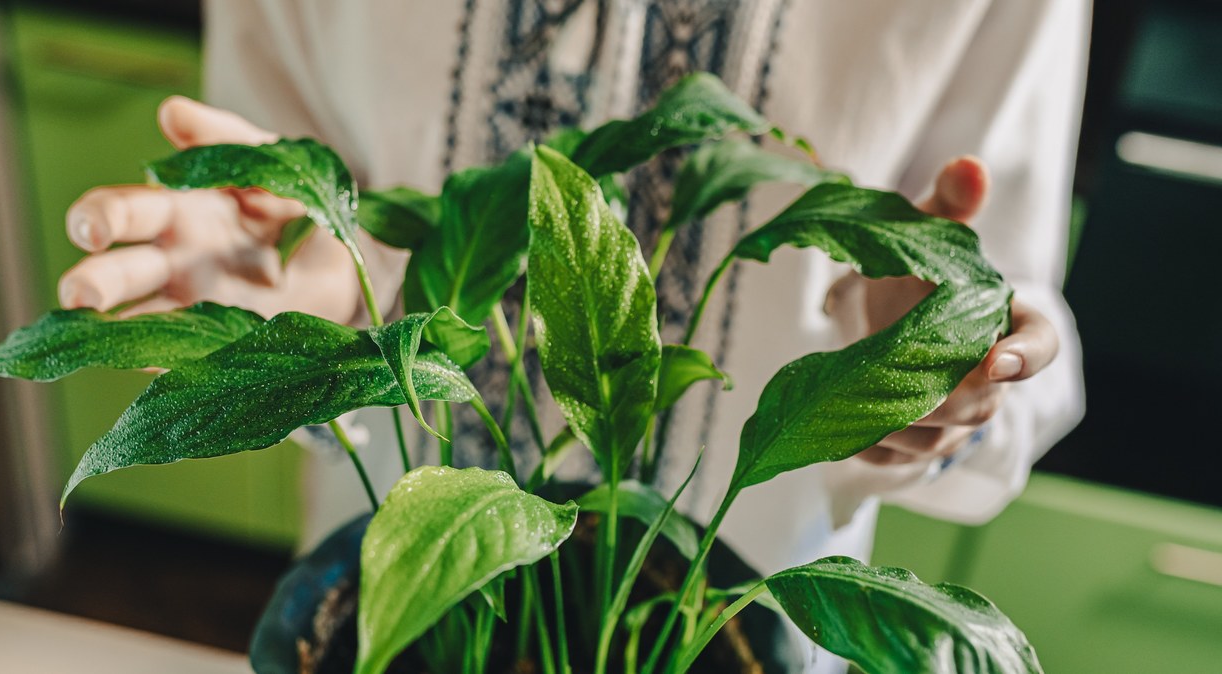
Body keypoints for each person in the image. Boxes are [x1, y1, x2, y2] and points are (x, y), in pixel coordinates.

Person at [56, 1, 1087, 670]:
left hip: (731, 622)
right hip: (389, 586)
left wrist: (924, 360)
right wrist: (294, 290)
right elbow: (279, 172)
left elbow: (1003, 298)